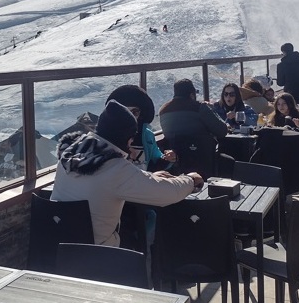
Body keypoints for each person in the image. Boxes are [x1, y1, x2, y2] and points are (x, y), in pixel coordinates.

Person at [51, 100, 202, 247]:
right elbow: (166, 193)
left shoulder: (70, 155)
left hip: (58, 245)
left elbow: (115, 180)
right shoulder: (114, 168)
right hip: (97, 253)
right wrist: (190, 180)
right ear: (126, 138)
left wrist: (151, 177)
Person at [159, 79, 229, 178]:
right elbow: (222, 131)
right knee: (229, 161)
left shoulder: (163, 110)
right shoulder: (199, 107)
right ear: (192, 95)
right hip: (204, 160)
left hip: (176, 163)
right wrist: (211, 110)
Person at [106, 85, 176, 171]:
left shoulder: (147, 135)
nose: (129, 116)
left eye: (134, 112)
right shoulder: (106, 137)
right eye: (124, 111)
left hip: (142, 182)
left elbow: (156, 159)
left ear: (141, 113)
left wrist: (168, 159)